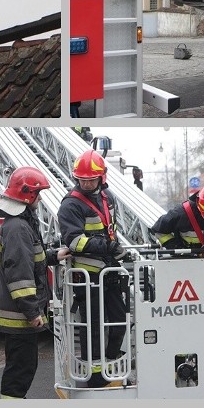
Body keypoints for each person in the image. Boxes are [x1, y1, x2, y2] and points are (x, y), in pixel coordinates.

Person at [0, 166, 69, 399]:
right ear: (28, 195)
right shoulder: (18, 228)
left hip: (17, 315)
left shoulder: (18, 224)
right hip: (19, 318)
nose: (41, 198)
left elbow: (30, 260)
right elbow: (20, 277)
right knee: (21, 371)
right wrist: (33, 312)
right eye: (38, 193)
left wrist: (54, 256)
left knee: (21, 367)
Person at [57, 150, 128, 388]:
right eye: (82, 179)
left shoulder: (108, 197)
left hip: (110, 272)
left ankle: (110, 361)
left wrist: (114, 248)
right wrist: (108, 246)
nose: (86, 183)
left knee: (119, 320)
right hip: (87, 277)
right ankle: (95, 376)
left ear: (102, 177)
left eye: (91, 179)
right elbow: (75, 242)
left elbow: (111, 229)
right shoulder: (71, 205)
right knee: (93, 327)